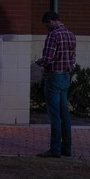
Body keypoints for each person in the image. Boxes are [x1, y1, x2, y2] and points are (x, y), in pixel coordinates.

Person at [35, 10, 77, 158]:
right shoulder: (71, 35)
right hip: (66, 76)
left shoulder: (53, 35)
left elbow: (47, 58)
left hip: (54, 77)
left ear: (51, 21)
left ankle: (55, 149)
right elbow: (73, 59)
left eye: (47, 25)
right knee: (64, 113)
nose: (47, 28)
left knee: (54, 115)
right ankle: (67, 148)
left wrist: (38, 62)